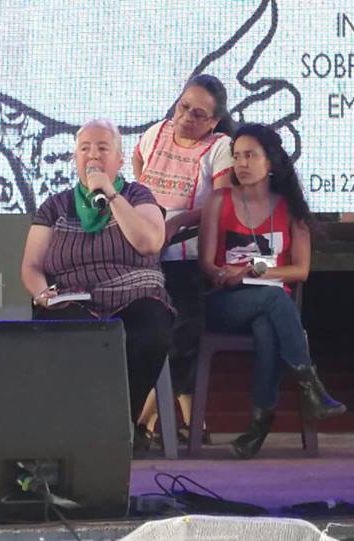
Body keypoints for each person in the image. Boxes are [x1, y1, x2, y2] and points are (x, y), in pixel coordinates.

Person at [21, 118, 173, 450]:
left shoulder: (137, 195)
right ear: (75, 158)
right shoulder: (56, 206)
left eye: (103, 148)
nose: (92, 155)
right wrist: (42, 293)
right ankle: (79, 430)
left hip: (135, 295)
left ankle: (121, 424)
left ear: (119, 159)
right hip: (72, 298)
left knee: (150, 333)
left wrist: (112, 195)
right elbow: (31, 266)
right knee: (67, 336)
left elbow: (149, 243)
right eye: (84, 149)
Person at [198, 123, 345, 460]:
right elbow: (206, 263)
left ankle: (258, 425)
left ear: (271, 161)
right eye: (237, 156)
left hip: (271, 302)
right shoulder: (219, 200)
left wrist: (254, 270)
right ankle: (310, 386)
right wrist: (224, 274)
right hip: (226, 302)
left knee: (268, 325)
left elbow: (301, 270)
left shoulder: (291, 208)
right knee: (276, 299)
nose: (241, 163)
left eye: (250, 155)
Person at [133, 74, 235, 444]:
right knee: (148, 335)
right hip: (145, 256)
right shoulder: (156, 132)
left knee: (181, 338)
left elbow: (221, 202)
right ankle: (194, 425)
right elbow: (138, 163)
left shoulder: (219, 147)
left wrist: (177, 221)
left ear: (214, 121)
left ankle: (141, 422)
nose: (187, 117)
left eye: (199, 114)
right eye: (184, 107)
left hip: (186, 257)